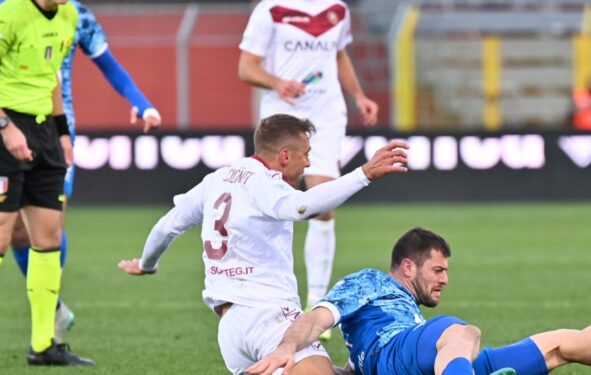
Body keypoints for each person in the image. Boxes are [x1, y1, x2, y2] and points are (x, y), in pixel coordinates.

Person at [117, 114, 408, 375]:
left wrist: (146, 264)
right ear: (284, 155)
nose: (308, 163)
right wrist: (364, 174)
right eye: (305, 154)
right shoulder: (266, 184)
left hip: (231, 329)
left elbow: (167, 225)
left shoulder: (216, 179)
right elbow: (304, 207)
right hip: (270, 318)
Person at [247, 228, 591, 375]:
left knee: (559, 345)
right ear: (408, 267)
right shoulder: (370, 282)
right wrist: (289, 350)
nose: (445, 280)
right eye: (438, 270)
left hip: (422, 363)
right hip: (406, 352)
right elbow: (318, 318)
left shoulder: (408, 310)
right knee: (462, 332)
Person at [1, 0, 162, 343]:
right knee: (12, 233)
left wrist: (141, 102)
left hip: (56, 130)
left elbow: (108, 66)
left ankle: (49, 323)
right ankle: (54, 308)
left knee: (49, 227)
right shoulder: (8, 11)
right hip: (8, 123)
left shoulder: (76, 15)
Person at [237, 0, 380, 332]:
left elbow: (339, 55)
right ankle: (266, 297)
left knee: (322, 206)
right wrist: (276, 83)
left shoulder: (337, 10)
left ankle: (317, 305)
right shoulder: (270, 9)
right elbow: (246, 67)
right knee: (273, 208)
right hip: (281, 118)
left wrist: (359, 96)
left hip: (327, 115)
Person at [0, 0, 93, 366]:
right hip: (6, 126)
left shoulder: (69, 15)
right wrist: (6, 129)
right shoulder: (9, 13)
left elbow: (52, 77)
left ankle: (43, 346)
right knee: (4, 233)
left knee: (49, 236)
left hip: (44, 134)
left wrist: (63, 134)